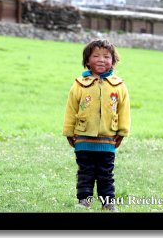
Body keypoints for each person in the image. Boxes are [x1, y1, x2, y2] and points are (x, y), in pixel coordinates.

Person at [62, 39, 130, 212]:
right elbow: (71, 109)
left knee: (106, 173)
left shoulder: (119, 86)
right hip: (83, 137)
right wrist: (69, 132)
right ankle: (84, 200)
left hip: (108, 139)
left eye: (106, 56)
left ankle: (108, 203)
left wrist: (122, 132)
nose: (101, 59)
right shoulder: (79, 85)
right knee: (85, 172)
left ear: (113, 61)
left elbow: (124, 110)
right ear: (87, 61)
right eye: (96, 56)